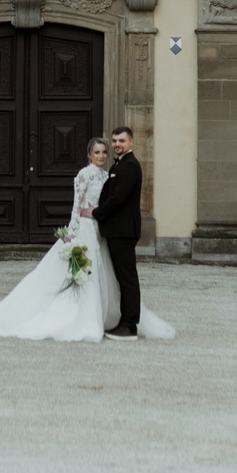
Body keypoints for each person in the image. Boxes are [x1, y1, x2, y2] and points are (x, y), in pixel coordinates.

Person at [0, 135, 173, 343]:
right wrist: (72, 231)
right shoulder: (84, 175)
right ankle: (80, 318)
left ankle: (111, 318)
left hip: (102, 232)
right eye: (98, 151)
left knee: (106, 274)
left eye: (106, 150)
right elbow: (76, 205)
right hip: (85, 230)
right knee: (82, 275)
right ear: (89, 154)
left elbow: (113, 201)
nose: (102, 155)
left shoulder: (109, 174)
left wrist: (99, 215)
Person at [97, 126, 144, 339]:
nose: (117, 144)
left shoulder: (130, 166)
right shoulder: (121, 164)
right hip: (118, 230)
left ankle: (130, 326)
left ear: (131, 143)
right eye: (114, 141)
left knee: (127, 279)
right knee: (123, 278)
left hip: (124, 231)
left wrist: (96, 212)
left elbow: (118, 198)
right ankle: (125, 322)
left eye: (122, 141)